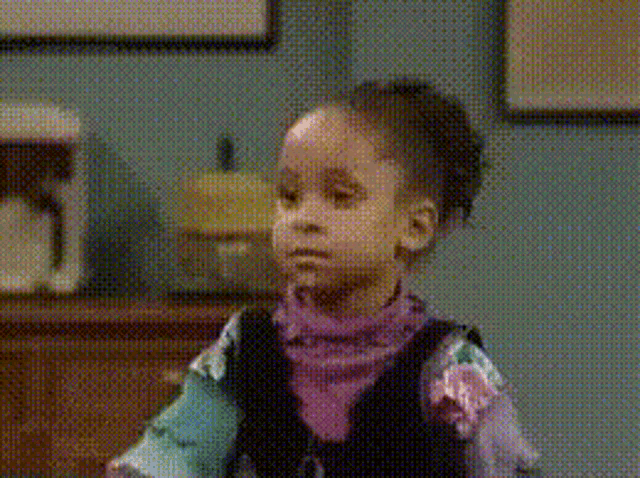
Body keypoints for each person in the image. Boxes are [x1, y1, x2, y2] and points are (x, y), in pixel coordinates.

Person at [107, 78, 541, 477]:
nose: (304, 219)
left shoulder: (450, 368)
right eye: (290, 196)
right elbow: (171, 456)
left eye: (340, 197)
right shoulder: (245, 348)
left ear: (415, 227)